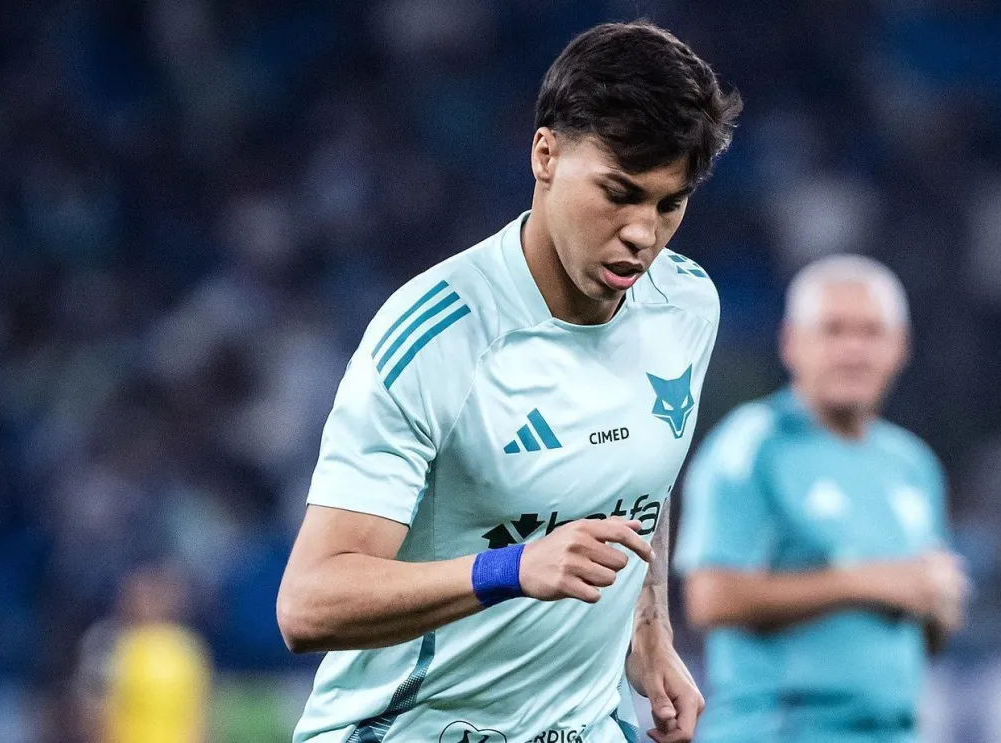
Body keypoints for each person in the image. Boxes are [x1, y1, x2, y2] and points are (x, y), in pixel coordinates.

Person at [276, 20, 740, 743]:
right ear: (545, 155)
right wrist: (513, 567)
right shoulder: (437, 337)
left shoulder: (686, 303)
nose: (642, 233)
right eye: (618, 193)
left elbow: (647, 473)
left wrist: (648, 627)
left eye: (668, 204)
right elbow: (308, 603)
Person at [675, 255, 969, 743]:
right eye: (833, 330)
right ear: (791, 343)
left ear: (900, 346)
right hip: (780, 730)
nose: (853, 350)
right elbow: (709, 598)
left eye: (871, 332)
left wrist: (938, 602)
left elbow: (921, 625)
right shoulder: (754, 444)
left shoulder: (912, 463)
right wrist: (866, 582)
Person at [76, 565, 212, 743]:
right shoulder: (108, 641)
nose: (146, 602)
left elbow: (198, 713)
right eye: (140, 594)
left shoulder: (187, 646)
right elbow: (95, 711)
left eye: (154, 594)